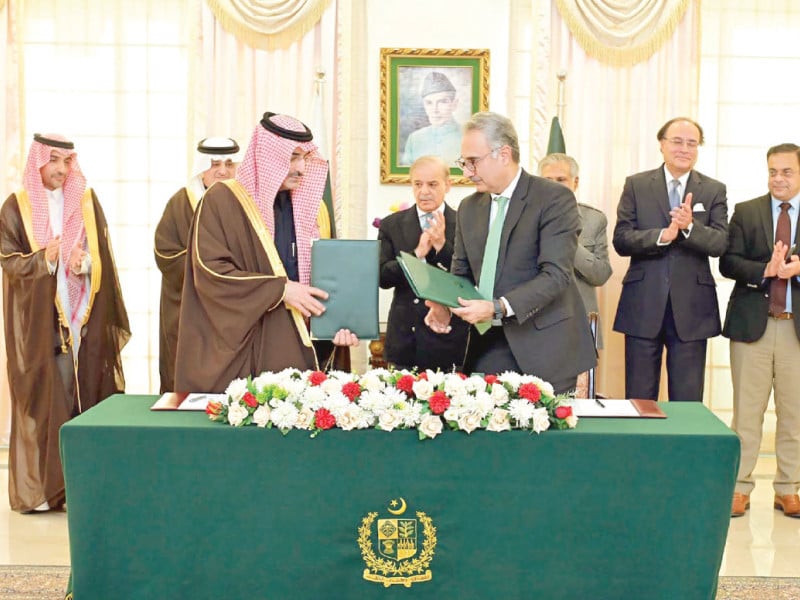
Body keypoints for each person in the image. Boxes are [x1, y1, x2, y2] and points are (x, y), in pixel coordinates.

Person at [174, 113, 357, 393]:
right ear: (269, 157)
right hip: (250, 349)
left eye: (305, 158)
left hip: (305, 345)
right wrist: (280, 291)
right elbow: (210, 272)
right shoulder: (222, 201)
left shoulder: (314, 210)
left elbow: (325, 280)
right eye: (292, 157)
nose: (301, 168)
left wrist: (340, 324)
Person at [0, 133, 130, 513]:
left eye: (67, 161)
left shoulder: (87, 203)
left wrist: (82, 265)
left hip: (81, 322)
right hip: (38, 325)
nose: (60, 169)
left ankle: (83, 489)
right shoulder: (16, 207)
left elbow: (102, 255)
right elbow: (9, 263)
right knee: (45, 403)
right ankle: (44, 491)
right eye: (53, 160)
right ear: (37, 161)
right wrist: (45, 259)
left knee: (83, 399)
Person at [424, 112, 596, 394]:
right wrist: (444, 305)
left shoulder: (554, 198)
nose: (466, 172)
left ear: (503, 154)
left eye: (473, 161)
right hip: (487, 344)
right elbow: (461, 274)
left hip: (545, 346)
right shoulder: (469, 207)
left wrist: (498, 307)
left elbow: (556, 275)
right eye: (463, 162)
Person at [612, 117, 728, 402]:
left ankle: (685, 449)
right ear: (662, 145)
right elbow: (622, 239)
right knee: (640, 397)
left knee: (687, 401)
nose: (684, 148)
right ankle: (640, 447)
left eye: (692, 143)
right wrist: (663, 235)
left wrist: (689, 227)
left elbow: (720, 243)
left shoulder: (713, 189)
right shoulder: (636, 185)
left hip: (692, 308)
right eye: (677, 141)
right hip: (643, 302)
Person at [721, 143, 800, 519]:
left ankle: (788, 488)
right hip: (753, 325)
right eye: (772, 171)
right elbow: (728, 262)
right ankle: (739, 487)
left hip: (795, 330)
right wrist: (765, 270)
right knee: (746, 413)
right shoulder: (747, 211)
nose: (778, 179)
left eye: (786, 172)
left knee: (794, 413)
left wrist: (797, 269)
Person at [154, 137, 240, 393]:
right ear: (202, 167)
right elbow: (165, 253)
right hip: (189, 309)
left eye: (229, 163)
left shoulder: (246, 203)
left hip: (233, 310)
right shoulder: (181, 204)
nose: (223, 171)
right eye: (214, 164)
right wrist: (208, 270)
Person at [378, 155, 468, 371]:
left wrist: (441, 247)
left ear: (448, 185)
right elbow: (382, 277)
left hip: (449, 337)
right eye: (418, 184)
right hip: (404, 339)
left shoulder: (465, 223)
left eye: (432, 184)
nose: (424, 191)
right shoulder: (393, 224)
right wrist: (417, 254)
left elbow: (469, 277)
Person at [538, 153, 612, 346]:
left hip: (579, 324)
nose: (554, 186)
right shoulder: (524, 219)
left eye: (561, 180)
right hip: (536, 322)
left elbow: (601, 275)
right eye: (548, 180)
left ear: (575, 182)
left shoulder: (594, 219)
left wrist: (569, 243)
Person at [402, 71, 463, 165]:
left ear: (454, 104)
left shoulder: (469, 137)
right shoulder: (414, 139)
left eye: (442, 101)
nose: (434, 110)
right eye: (429, 103)